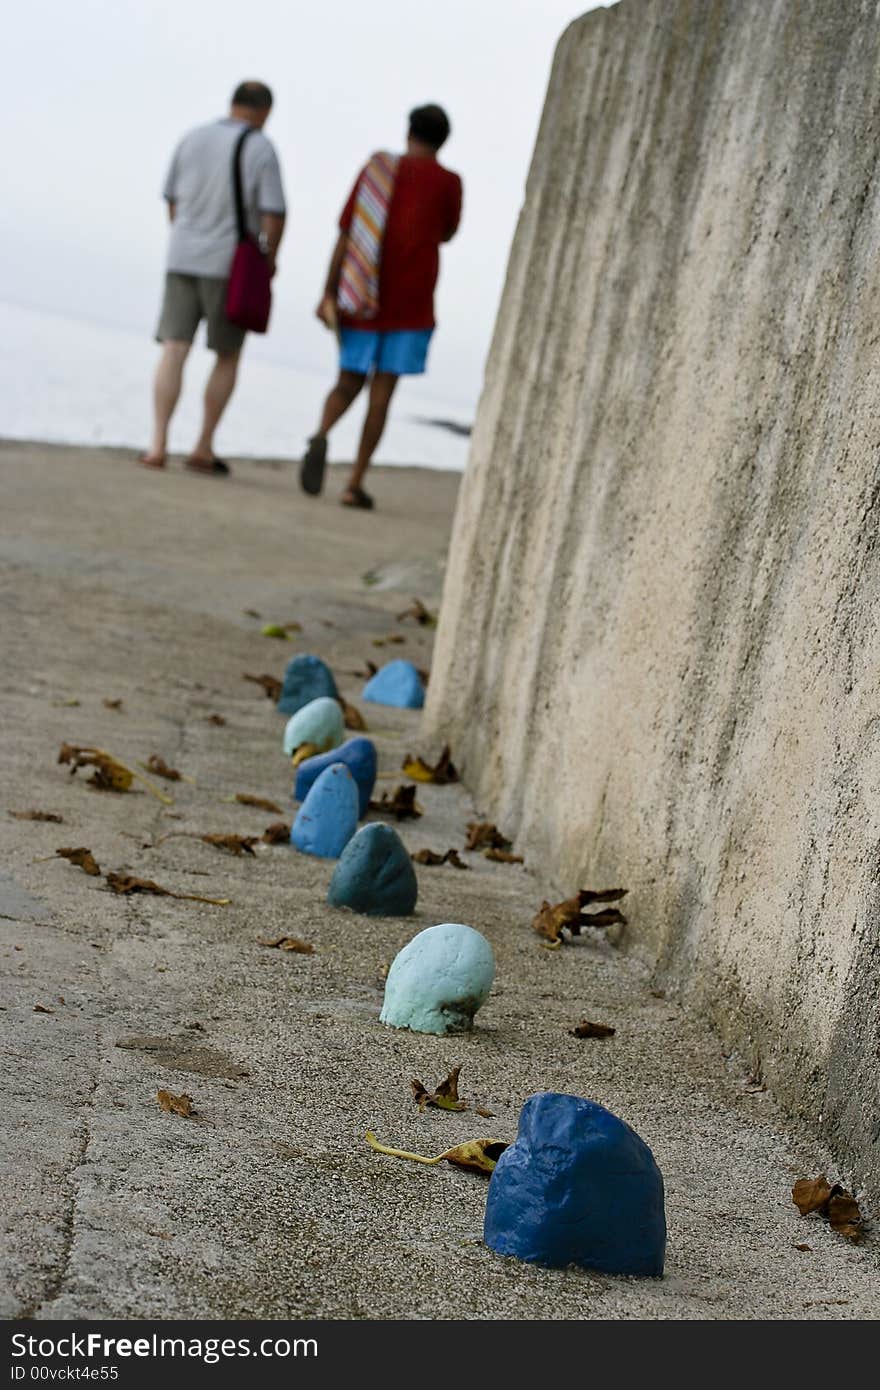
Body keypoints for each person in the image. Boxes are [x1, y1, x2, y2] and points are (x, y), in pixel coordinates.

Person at [300, 103, 462, 508]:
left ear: (409, 131)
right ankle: (354, 482)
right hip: (411, 304)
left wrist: (328, 291)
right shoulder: (448, 182)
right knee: (382, 394)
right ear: (443, 141)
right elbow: (448, 232)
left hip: (360, 295)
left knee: (348, 380)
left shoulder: (376, 170)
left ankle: (321, 432)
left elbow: (347, 231)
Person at [141, 81, 286, 475]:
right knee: (226, 354)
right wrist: (268, 259)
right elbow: (273, 213)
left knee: (173, 348)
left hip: (181, 255)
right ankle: (203, 445)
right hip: (229, 265)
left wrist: (186, 234)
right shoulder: (260, 148)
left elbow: (172, 200)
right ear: (265, 111)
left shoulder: (191, 138)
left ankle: (157, 445)